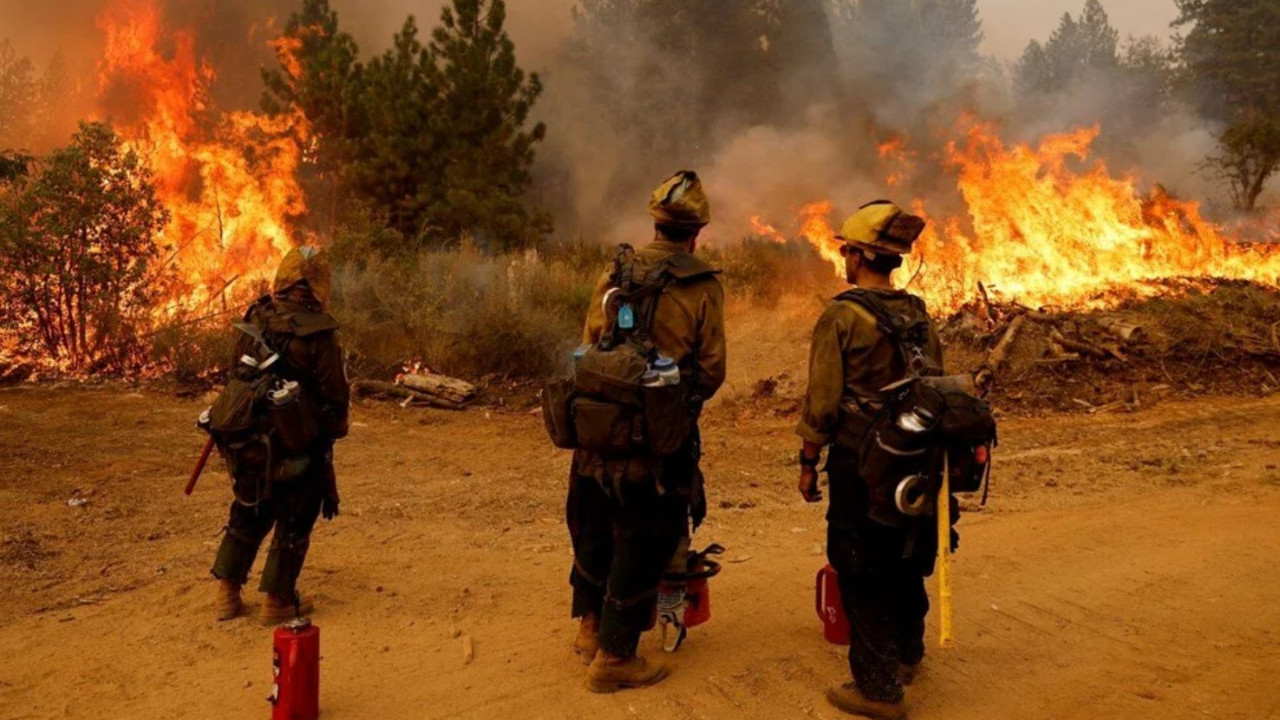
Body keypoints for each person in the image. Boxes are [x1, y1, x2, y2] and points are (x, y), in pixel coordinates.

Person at [567, 171, 727, 693]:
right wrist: (679, 405)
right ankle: (615, 657)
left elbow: (591, 340)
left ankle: (589, 628)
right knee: (647, 535)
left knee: (592, 517)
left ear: (655, 224)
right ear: (695, 233)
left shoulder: (616, 272)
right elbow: (711, 368)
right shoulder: (701, 285)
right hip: (658, 438)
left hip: (597, 426)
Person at [795, 201, 948, 719]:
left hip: (860, 459)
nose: (843, 258)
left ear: (859, 256)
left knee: (859, 563)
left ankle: (878, 689)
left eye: (846, 250)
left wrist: (807, 459)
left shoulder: (842, 316)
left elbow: (821, 400)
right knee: (907, 550)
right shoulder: (920, 315)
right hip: (915, 457)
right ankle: (908, 653)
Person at [211, 246, 349, 624]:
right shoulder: (320, 334)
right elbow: (335, 394)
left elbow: (235, 371)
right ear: (320, 286)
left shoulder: (258, 315)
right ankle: (278, 601)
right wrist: (331, 434)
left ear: (284, 279)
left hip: (249, 441)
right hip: (297, 444)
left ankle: (227, 593)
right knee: (295, 517)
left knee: (249, 508)